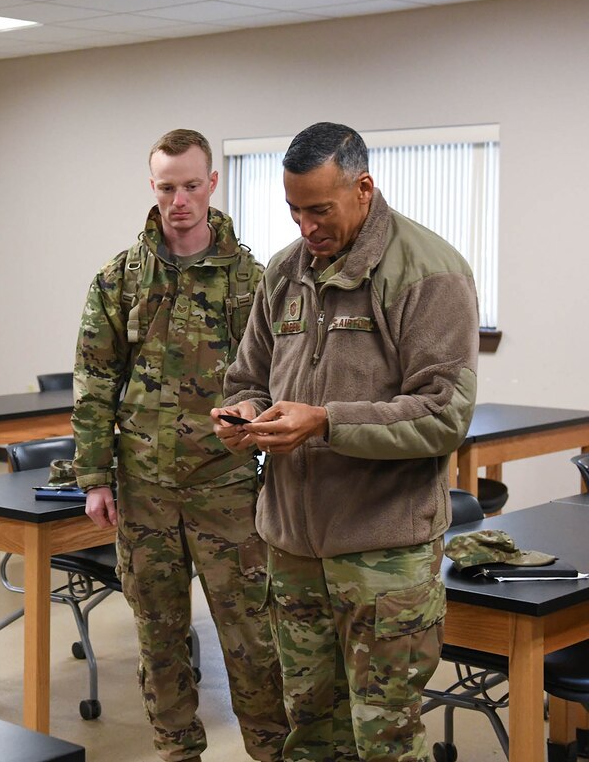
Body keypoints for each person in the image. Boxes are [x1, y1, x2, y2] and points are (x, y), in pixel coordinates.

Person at [214, 121, 478, 761]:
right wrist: (241, 414)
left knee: (384, 739)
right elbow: (248, 375)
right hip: (292, 547)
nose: (306, 228)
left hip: (382, 555)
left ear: (363, 188)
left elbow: (444, 412)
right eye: (294, 211)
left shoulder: (427, 272)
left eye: (320, 210)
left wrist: (326, 421)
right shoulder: (283, 274)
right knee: (310, 731)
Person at [72, 128, 289, 762]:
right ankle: (175, 752)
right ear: (153, 188)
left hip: (227, 485)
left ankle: (270, 751)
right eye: (167, 188)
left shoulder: (253, 278)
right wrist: (95, 478)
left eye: (191, 186)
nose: (179, 201)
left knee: (251, 637)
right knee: (158, 639)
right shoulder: (120, 278)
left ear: (212, 183)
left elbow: (281, 377)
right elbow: (94, 382)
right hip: (143, 489)